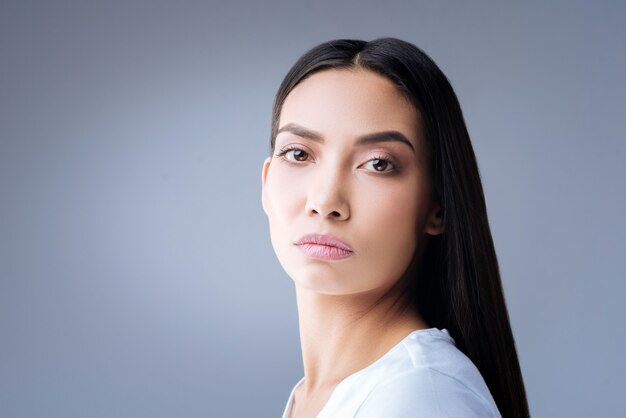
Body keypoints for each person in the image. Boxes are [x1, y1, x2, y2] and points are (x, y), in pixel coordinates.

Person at [260, 38, 530, 418]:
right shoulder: (319, 395)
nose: (325, 201)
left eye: (378, 164)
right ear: (266, 184)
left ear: (438, 207)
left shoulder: (419, 396)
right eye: (299, 154)